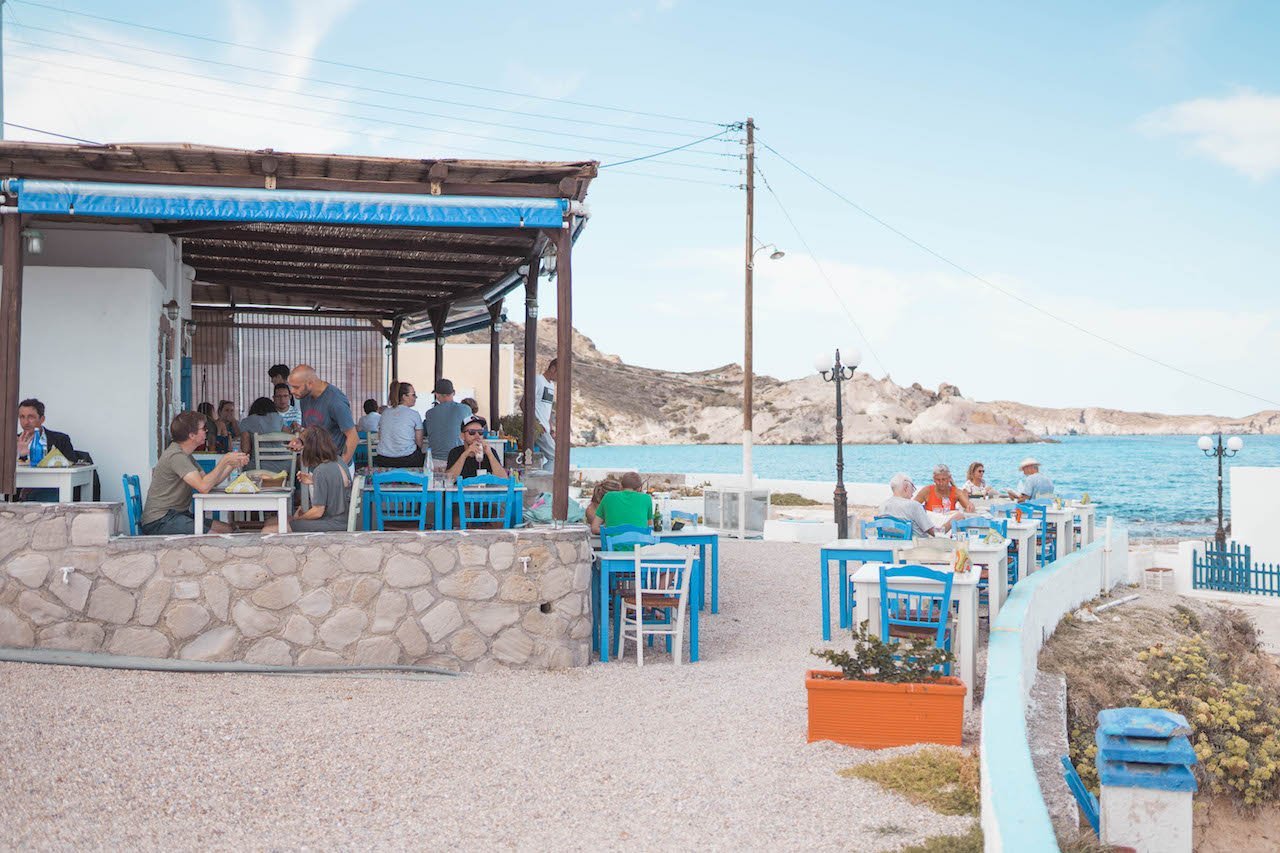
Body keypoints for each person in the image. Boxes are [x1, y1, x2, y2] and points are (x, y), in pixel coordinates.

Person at [140, 411, 249, 535]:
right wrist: (224, 460)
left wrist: (231, 465)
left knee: (228, 529)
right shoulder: (176, 456)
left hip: (178, 515)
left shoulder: (185, 454)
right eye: (203, 428)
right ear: (192, 435)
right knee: (215, 537)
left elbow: (210, 482)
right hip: (160, 520)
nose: (206, 431)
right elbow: (203, 487)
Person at [287, 364, 358, 467]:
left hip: (335, 464)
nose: (292, 391)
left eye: (296, 387)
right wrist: (300, 441)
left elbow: (353, 437)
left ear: (310, 383)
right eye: (291, 387)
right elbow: (309, 429)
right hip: (314, 464)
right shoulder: (304, 396)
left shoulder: (336, 401)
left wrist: (340, 467)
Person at [287, 427, 352, 532]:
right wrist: (314, 481)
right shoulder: (339, 460)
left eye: (303, 444)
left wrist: (298, 518)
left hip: (333, 523)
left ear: (310, 448)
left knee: (271, 528)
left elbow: (318, 512)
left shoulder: (321, 470)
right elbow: (336, 485)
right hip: (344, 521)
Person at [16, 398, 76, 502]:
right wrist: (20, 454)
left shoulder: (60, 440)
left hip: (53, 490)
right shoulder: (13, 441)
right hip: (20, 494)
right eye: (22, 417)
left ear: (42, 419)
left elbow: (71, 465)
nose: (25, 422)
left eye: (31, 417)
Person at [880, 472, 947, 537]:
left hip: (891, 543)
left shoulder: (883, 506)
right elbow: (933, 533)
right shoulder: (914, 506)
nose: (913, 493)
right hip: (915, 544)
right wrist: (949, 524)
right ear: (906, 487)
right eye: (912, 487)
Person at [374, 382, 425, 468]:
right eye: (413, 395)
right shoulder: (414, 414)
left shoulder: (385, 413)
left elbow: (381, 436)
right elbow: (419, 443)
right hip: (407, 460)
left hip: (383, 459)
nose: (415, 397)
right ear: (404, 396)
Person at [423, 378, 472, 463]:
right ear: (453, 393)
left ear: (437, 395)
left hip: (435, 460)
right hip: (458, 459)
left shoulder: (429, 413)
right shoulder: (465, 409)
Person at [238, 397, 288, 472]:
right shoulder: (280, 419)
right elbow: (289, 441)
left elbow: (245, 449)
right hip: (284, 467)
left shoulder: (246, 421)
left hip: (259, 467)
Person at [532, 358, 557, 468]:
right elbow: (524, 404)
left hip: (545, 428)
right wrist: (536, 424)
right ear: (553, 369)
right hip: (538, 428)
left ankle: (543, 475)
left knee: (544, 458)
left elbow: (548, 408)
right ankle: (545, 477)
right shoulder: (538, 380)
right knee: (556, 457)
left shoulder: (551, 385)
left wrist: (551, 429)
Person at [268, 365, 302, 431]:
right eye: (278, 396)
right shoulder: (296, 389)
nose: (271, 381)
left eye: (272, 378)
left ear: (279, 377)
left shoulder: (292, 391)